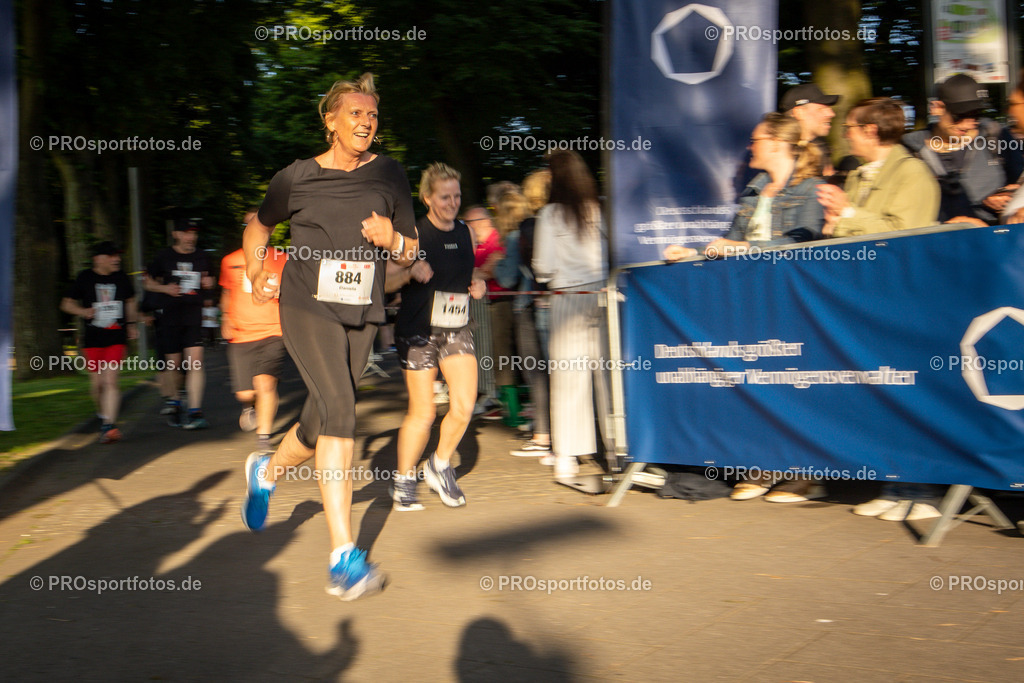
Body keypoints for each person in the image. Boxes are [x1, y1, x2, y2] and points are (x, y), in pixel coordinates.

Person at [240, 72, 418, 601]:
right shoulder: (295, 178)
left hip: (361, 307)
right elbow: (257, 226)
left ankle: (266, 472)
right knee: (341, 405)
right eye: (356, 113)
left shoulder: (391, 175)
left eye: (373, 115)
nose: (366, 122)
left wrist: (395, 240)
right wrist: (255, 269)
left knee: (320, 421)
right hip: (305, 303)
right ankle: (344, 559)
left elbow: (410, 251)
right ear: (331, 121)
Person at [386, 162, 485, 511]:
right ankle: (402, 479)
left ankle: (439, 465)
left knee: (464, 404)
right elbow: (385, 282)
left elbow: (472, 272)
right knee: (424, 412)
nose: (452, 202)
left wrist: (479, 283)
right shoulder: (413, 235)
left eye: (457, 195)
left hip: (455, 326)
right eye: (445, 196)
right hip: (418, 330)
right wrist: (410, 270)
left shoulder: (465, 232)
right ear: (428, 197)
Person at [532, 150, 611, 481]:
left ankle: (567, 454)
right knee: (606, 376)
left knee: (568, 379)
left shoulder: (550, 215)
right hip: (602, 295)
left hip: (567, 297)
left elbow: (543, 268)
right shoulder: (596, 210)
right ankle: (616, 446)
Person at [690, 112, 825, 261]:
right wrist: (693, 253)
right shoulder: (753, 192)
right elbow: (731, 241)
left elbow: (803, 243)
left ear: (775, 143)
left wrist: (743, 247)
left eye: (754, 140)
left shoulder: (812, 188)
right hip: (752, 278)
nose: (749, 147)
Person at [817, 97, 940, 237]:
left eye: (849, 128)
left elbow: (904, 235)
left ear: (870, 131)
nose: (845, 135)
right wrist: (833, 225)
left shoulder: (913, 173)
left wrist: (847, 212)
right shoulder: (856, 175)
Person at [497, 170, 553, 458]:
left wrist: (496, 264)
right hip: (559, 304)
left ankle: (543, 435)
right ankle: (558, 436)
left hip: (529, 306)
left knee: (537, 374)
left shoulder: (523, 231)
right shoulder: (560, 223)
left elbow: (507, 279)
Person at [220, 212, 288, 450]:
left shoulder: (282, 259)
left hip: (273, 330)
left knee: (265, 384)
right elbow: (227, 292)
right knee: (246, 393)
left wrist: (283, 294)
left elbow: (296, 291)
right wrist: (225, 317)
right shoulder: (230, 261)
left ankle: (264, 438)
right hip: (242, 333)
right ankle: (249, 407)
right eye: (248, 224)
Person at [61, 241, 138, 444]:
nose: (117, 259)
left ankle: (109, 426)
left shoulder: (122, 278)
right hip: (93, 339)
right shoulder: (85, 277)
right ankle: (104, 415)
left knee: (110, 381)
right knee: (97, 385)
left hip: (116, 337)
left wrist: (130, 324)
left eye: (118, 256)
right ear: (98, 259)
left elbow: (130, 301)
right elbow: (66, 304)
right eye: (112, 255)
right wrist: (83, 311)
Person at [901, 74, 1005, 225]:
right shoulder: (910, 150)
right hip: (935, 242)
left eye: (975, 115)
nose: (969, 124)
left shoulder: (994, 136)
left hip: (992, 239)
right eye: (960, 115)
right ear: (936, 108)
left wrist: (1008, 195)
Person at [145, 218, 213, 429]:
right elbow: (148, 282)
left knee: (195, 363)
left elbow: (208, 282)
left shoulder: (202, 256)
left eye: (193, 233)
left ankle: (195, 411)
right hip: (170, 317)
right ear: (176, 234)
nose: (191, 237)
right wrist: (165, 289)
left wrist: (208, 283)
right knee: (173, 365)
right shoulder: (164, 256)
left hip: (193, 316)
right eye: (186, 233)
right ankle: (175, 400)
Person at [464, 205, 514, 420]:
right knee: (487, 351)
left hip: (499, 302)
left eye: (469, 223)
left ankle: (505, 403)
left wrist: (476, 272)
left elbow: (486, 271)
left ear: (481, 222)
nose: (466, 228)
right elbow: (472, 271)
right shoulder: (480, 244)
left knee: (500, 354)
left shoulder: (497, 240)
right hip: (484, 305)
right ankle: (492, 396)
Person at [780, 83, 839, 175]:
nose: (832, 114)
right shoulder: (779, 153)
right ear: (799, 113)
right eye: (822, 109)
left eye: (829, 109)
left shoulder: (822, 150)